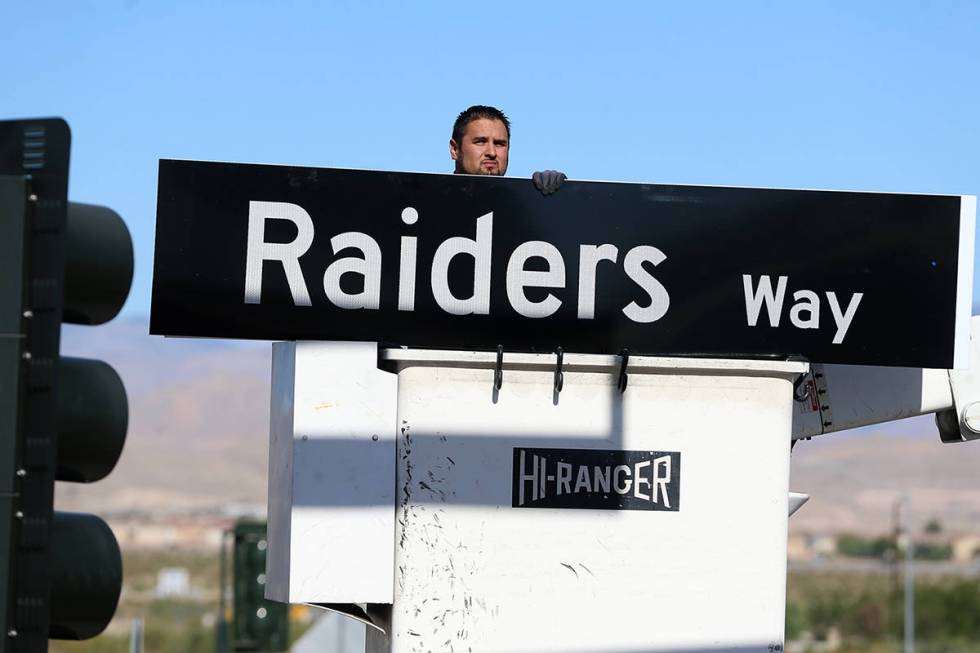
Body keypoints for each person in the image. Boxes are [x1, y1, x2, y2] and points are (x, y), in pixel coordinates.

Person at [449, 105, 566, 195]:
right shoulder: (432, 202)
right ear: (455, 149)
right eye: (480, 142)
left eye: (499, 144)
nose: (492, 152)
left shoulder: (523, 207)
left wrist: (560, 196)